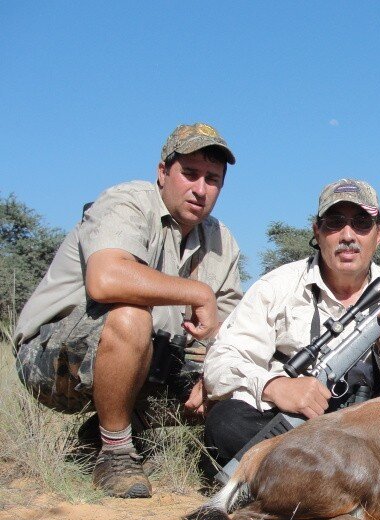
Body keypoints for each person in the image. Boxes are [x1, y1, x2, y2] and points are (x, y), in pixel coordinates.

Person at [13, 123, 243, 499]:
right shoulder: (126, 202)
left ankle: (101, 436)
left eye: (213, 179)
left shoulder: (222, 239)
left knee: (231, 377)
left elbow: (229, 327)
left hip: (151, 356)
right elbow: (105, 280)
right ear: (162, 172)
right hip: (51, 360)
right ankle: (116, 454)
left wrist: (213, 376)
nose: (200, 190)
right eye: (190, 174)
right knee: (131, 315)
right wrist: (198, 292)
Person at [201, 178, 380, 475]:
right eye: (334, 222)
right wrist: (275, 386)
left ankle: (305, 479)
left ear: (379, 234)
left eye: (361, 223)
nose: (347, 235)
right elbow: (219, 363)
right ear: (317, 231)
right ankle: (350, 481)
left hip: (371, 434)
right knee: (226, 421)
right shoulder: (276, 286)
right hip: (296, 432)